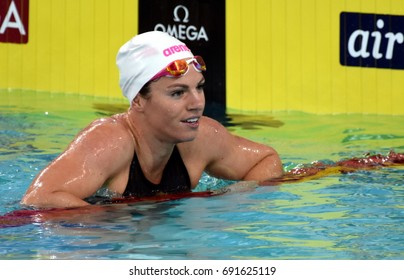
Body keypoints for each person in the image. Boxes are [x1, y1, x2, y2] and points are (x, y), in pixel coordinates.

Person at [21, 31, 283, 209]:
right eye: (178, 93)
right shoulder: (109, 142)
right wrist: (112, 222)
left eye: (199, 87)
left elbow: (266, 160)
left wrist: (228, 202)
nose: (197, 103)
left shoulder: (202, 137)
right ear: (138, 100)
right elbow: (40, 199)